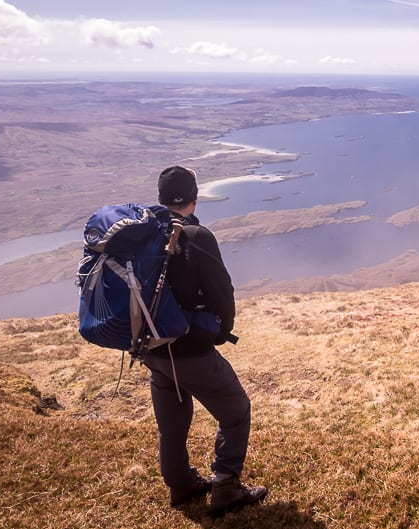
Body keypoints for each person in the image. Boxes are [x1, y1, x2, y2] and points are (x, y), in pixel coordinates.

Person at [143, 165, 267, 517]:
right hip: (190, 348)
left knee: (172, 422)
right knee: (236, 409)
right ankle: (226, 486)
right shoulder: (197, 236)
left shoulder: (145, 234)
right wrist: (223, 329)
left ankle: (181, 485)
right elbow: (221, 291)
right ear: (194, 200)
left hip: (153, 348)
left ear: (161, 198)